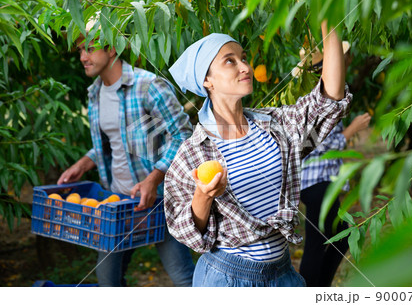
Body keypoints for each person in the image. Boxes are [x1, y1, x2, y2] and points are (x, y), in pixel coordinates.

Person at [163, 19, 352, 287]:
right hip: (228, 280)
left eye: (243, 58)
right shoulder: (195, 152)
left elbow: (329, 99)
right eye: (230, 61)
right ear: (207, 80)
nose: (245, 67)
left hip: (281, 274)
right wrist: (203, 196)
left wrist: (328, 19)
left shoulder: (275, 126)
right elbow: (188, 232)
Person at [57, 33, 195, 287]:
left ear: (112, 50)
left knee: (183, 278)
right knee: (108, 282)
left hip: (159, 202)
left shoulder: (148, 85)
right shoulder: (95, 92)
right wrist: (83, 164)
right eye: (79, 51)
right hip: (118, 203)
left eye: (89, 49)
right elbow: (114, 141)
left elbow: (184, 136)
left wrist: (153, 179)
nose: (82, 57)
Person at [298, 114, 371, 287]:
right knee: (317, 245)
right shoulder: (319, 104)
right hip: (317, 184)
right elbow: (320, 144)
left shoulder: (330, 104)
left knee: (340, 238)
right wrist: (353, 128)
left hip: (321, 184)